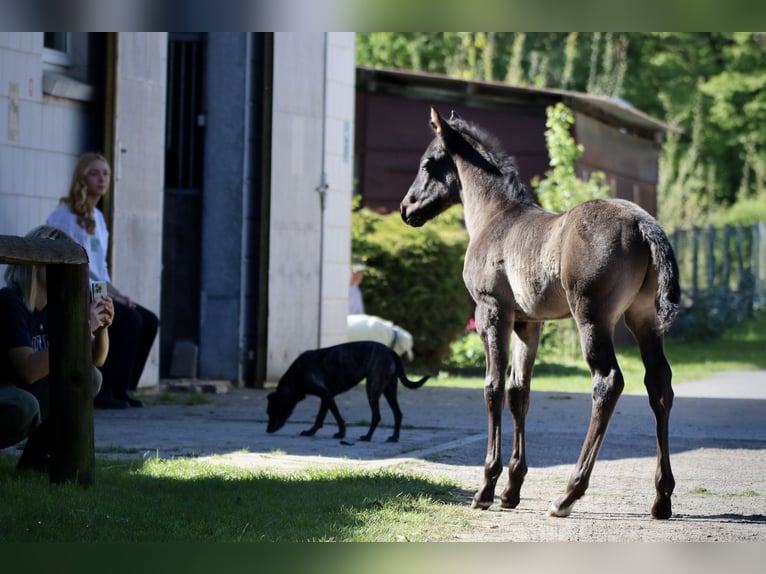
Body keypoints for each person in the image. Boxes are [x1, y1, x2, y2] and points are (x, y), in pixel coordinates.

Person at [47, 152, 158, 409]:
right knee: (128, 320)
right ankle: (103, 390)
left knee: (148, 320)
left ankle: (123, 388)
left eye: (106, 173)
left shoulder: (97, 218)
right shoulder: (66, 215)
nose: (102, 179)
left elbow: (101, 271)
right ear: (82, 177)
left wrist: (119, 295)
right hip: (75, 289)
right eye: (95, 173)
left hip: (96, 288)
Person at [0, 225, 114, 472]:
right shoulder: (11, 301)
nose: (64, 271)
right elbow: (27, 370)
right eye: (58, 263)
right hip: (7, 391)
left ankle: (35, 461)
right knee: (24, 405)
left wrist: (101, 327)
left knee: (89, 377)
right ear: (37, 265)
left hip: (27, 392)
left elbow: (95, 360)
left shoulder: (58, 304)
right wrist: (84, 328)